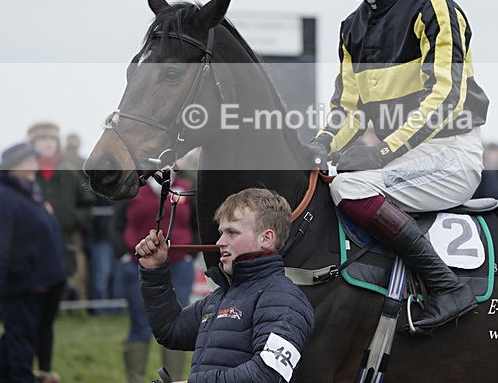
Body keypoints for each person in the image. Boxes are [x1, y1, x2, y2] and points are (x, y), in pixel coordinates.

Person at [306, 0, 489, 335]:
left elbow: (445, 96)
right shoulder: (351, 27)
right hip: (398, 158)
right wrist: (317, 146)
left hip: (449, 154)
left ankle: (446, 287)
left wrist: (381, 152)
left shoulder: (433, 8)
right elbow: (347, 106)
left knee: (349, 186)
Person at [136, 188, 314, 382]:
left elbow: (268, 375)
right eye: (221, 232)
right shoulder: (220, 296)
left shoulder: (285, 299)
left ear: (266, 238)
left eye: (232, 232)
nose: (220, 241)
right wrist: (154, 271)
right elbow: (171, 330)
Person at [0, 143, 66, 383]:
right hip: (20, 284)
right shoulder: (2, 198)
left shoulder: (30, 193)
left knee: (19, 336)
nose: (31, 167)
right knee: (21, 339)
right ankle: (19, 377)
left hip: (41, 283)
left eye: (32, 161)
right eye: (25, 163)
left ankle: (4, 377)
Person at [111, 173, 197, 383]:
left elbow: (197, 223)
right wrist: (125, 253)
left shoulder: (185, 187)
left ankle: (175, 380)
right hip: (137, 265)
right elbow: (115, 225)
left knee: (178, 322)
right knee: (139, 324)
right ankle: (135, 378)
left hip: (178, 265)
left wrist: (190, 253)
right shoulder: (133, 188)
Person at [28, 122, 94, 300]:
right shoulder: (26, 172)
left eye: (51, 139)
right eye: (42, 139)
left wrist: (74, 219)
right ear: (33, 144)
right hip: (34, 237)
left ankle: (73, 308)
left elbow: (87, 202)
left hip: (68, 235)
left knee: (71, 274)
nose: (47, 143)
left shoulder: (70, 170)